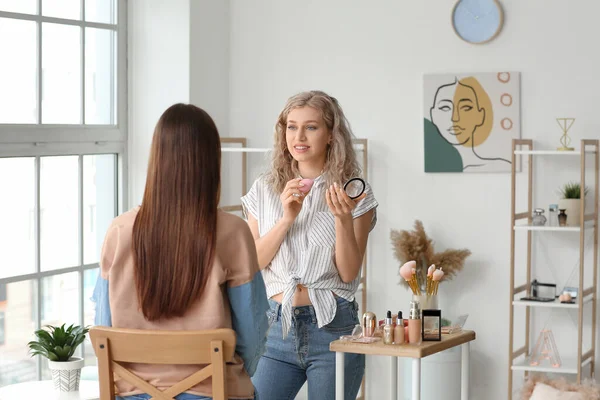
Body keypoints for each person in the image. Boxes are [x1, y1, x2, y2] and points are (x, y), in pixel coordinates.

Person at [92, 103, 268, 400]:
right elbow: (252, 336)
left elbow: (103, 326)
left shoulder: (119, 231)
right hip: (213, 392)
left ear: (156, 158)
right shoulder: (233, 232)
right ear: (211, 162)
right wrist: (240, 371)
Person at [241, 91, 378, 400]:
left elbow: (348, 272)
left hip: (332, 327)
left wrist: (342, 219)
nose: (299, 136)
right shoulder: (263, 189)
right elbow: (253, 263)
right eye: (291, 126)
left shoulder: (354, 193)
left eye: (311, 127)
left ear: (331, 134)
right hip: (274, 329)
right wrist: (287, 218)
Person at [429, 77, 510, 170]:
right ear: (433, 115)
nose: (455, 118)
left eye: (466, 107)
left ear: (481, 115)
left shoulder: (501, 166)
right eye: (445, 107)